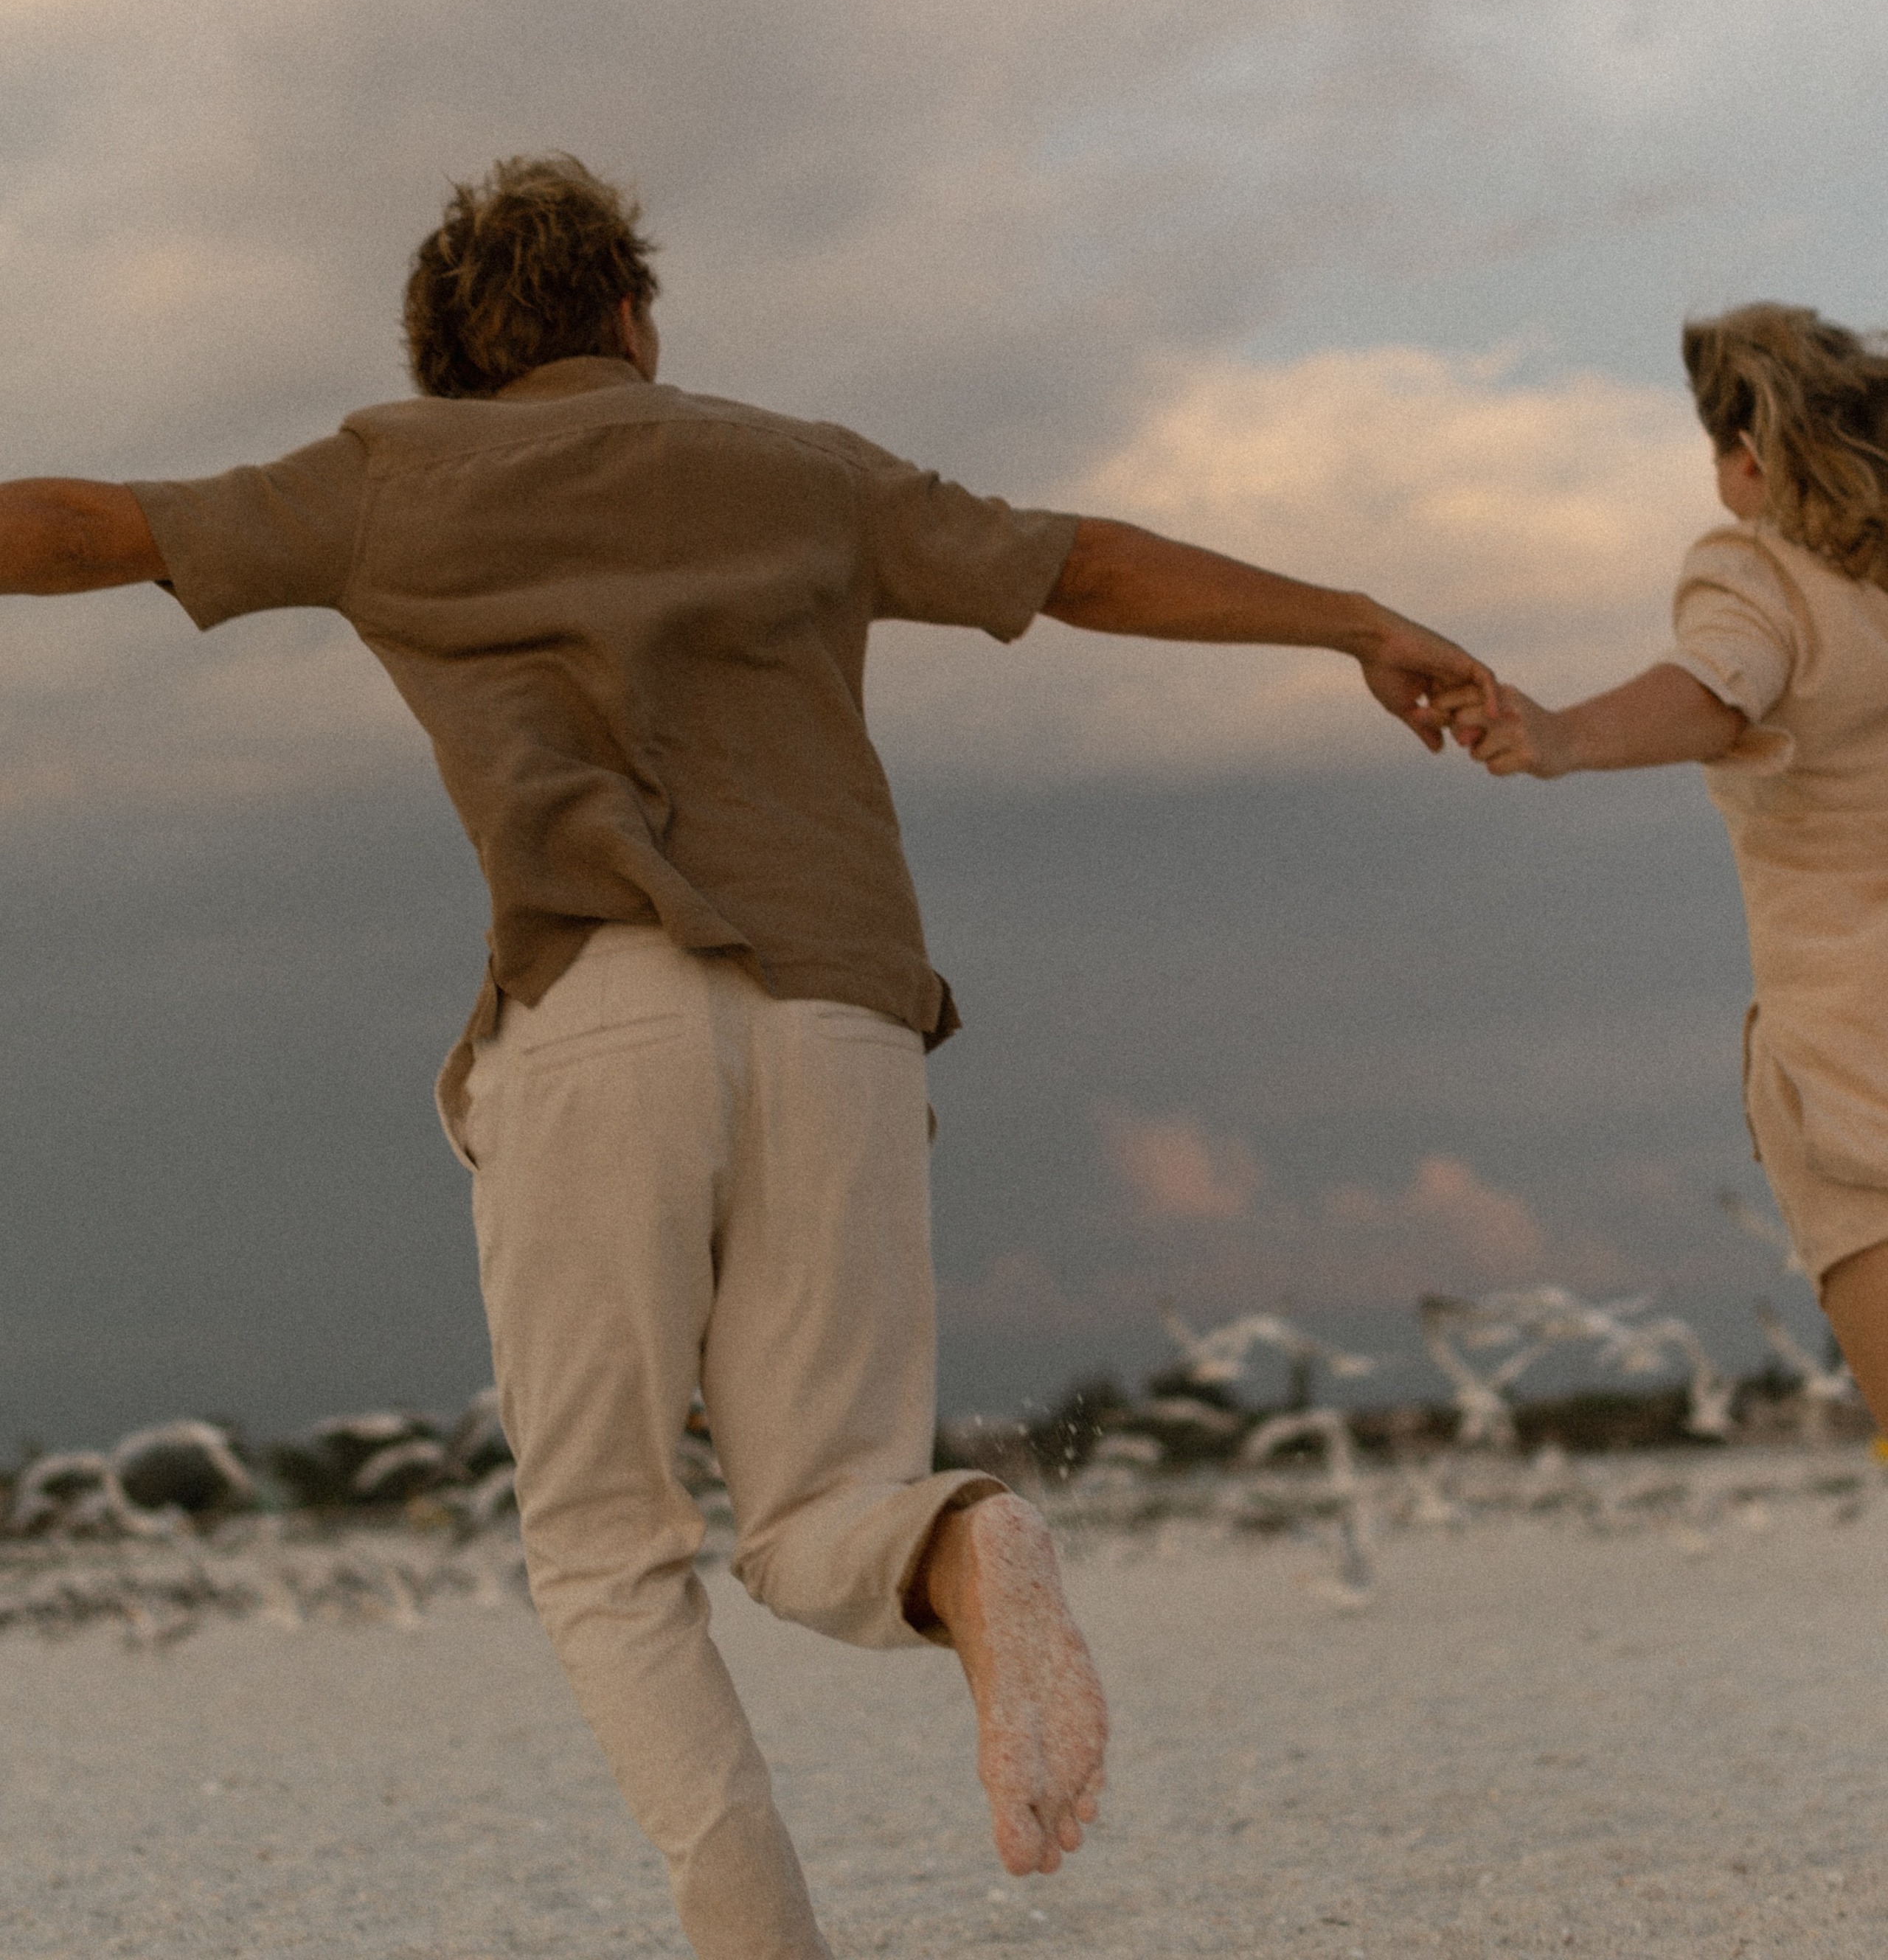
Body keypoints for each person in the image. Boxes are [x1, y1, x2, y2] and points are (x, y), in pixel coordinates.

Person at [1, 153, 1495, 1960]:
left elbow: (92, 527)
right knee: (819, 1511)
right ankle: (958, 1543)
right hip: (842, 1014)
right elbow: (1077, 565)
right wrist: (1351, 614)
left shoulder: (390, 474)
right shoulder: (802, 467)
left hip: (600, 1014)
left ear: (451, 363)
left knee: (608, 1558)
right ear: (634, 319)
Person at [1440, 302, 1888, 1430]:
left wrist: (1564, 737)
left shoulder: (1759, 569)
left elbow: (1714, 683)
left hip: (1863, 1078)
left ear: (1745, 457)